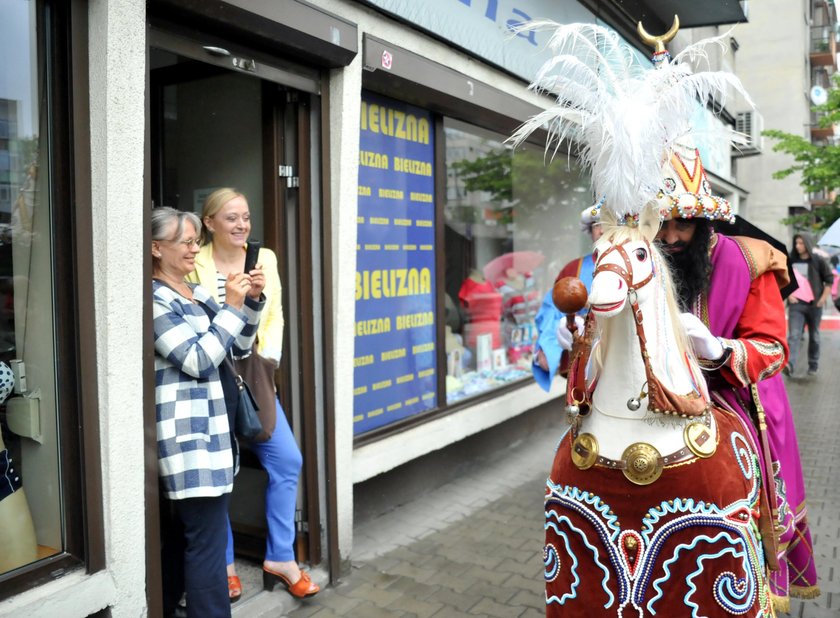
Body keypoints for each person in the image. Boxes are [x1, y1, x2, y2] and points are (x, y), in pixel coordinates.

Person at [655, 202, 820, 609]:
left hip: (738, 394)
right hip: (660, 395)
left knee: (753, 499)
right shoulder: (644, 254)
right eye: (661, 224)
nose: (670, 237)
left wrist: (718, 348)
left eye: (683, 226)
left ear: (704, 222)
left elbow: (773, 349)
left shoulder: (749, 259)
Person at [187, 188, 319, 600]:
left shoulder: (266, 259)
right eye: (231, 217)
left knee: (287, 458)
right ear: (209, 224)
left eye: (245, 216)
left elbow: (275, 313)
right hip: (212, 371)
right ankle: (225, 565)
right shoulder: (195, 263)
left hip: (255, 368)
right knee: (221, 471)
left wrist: (269, 363)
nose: (242, 224)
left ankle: (280, 556)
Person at [151, 207, 264, 618]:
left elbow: (238, 347)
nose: (194, 248)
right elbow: (198, 359)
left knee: (189, 538)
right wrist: (232, 307)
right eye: (185, 241)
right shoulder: (154, 299)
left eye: (195, 241)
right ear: (155, 248)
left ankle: (166, 606)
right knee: (208, 546)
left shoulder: (194, 292)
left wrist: (249, 303)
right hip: (189, 439)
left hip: (214, 436)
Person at [532, 206, 601, 391]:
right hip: (582, 362)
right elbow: (551, 310)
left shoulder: (637, 265)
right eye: (597, 225)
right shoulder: (573, 269)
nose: (602, 231)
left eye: (608, 224)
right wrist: (547, 346)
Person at [785, 232, 833, 376]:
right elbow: (783, 280)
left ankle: (813, 364)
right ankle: (790, 365)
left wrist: (823, 299)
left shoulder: (818, 260)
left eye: (801, 243)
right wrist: (789, 294)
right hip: (796, 305)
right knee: (793, 335)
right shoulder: (791, 261)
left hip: (814, 305)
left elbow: (829, 280)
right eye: (796, 243)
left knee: (815, 337)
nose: (797, 246)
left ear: (807, 243)